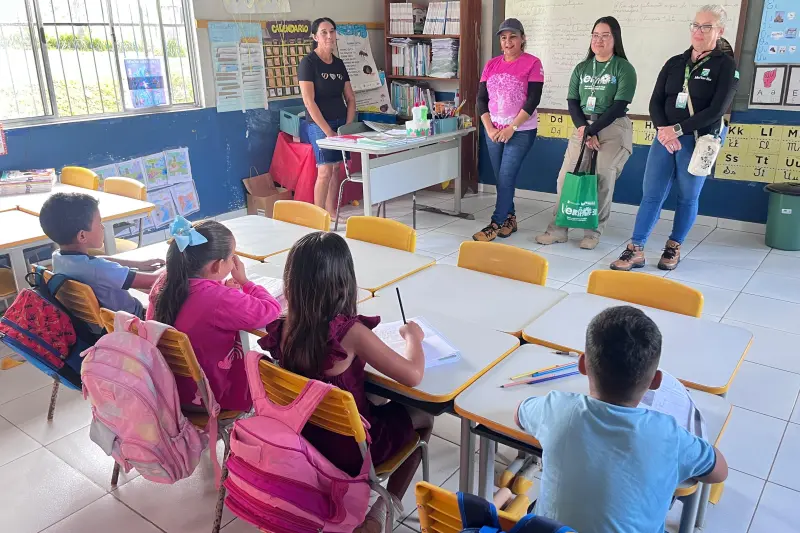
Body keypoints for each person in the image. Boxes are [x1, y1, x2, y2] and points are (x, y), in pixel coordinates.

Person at [258, 232, 434, 531]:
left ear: (292, 280)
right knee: (425, 415)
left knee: (371, 397)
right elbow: (413, 375)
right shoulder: (350, 333)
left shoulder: (284, 325)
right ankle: (382, 511)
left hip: (305, 436)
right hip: (353, 450)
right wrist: (413, 338)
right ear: (344, 282)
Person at [515, 306, 728, 532]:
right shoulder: (670, 436)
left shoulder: (556, 407)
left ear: (582, 365)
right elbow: (720, 472)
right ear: (656, 381)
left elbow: (520, 414)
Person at [611, 5, 738, 271]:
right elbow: (656, 101)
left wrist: (677, 130)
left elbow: (717, 110)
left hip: (699, 140)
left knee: (688, 196)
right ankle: (636, 249)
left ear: (719, 31)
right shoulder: (675, 63)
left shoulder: (725, 66)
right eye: (695, 25)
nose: (698, 31)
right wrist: (663, 130)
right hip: (665, 139)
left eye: (706, 27)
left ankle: (674, 246)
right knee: (651, 194)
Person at [147, 216, 282, 411]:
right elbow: (271, 310)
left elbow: (200, 299)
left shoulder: (164, 280)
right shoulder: (220, 300)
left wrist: (221, 287)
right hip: (210, 395)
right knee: (272, 368)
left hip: (167, 387)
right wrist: (245, 282)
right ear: (217, 265)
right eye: (232, 256)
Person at [536, 16, 637, 250]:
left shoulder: (624, 68)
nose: (598, 40)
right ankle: (558, 230)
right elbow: (572, 101)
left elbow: (619, 105)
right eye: (595, 35)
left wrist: (593, 130)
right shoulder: (582, 68)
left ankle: (593, 233)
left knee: (602, 179)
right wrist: (585, 130)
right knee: (566, 177)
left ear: (615, 38)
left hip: (613, 127)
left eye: (605, 35)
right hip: (583, 127)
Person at [472, 18, 544, 242]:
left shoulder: (532, 63)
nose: (508, 41)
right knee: (501, 178)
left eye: (513, 37)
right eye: (503, 38)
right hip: (493, 131)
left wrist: (512, 127)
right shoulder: (491, 65)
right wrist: (489, 127)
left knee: (506, 176)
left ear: (523, 39)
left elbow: (533, 100)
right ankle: (510, 219)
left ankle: (495, 224)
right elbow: (481, 100)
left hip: (520, 131)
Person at [39, 192, 162, 319]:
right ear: (82, 236)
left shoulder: (58, 257)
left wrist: (138, 264)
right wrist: (173, 261)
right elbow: (153, 281)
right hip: (133, 321)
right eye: (99, 223)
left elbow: (97, 260)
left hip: (99, 324)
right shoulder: (99, 270)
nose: (103, 227)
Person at [299, 17, 357, 217]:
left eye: (332, 31)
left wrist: (347, 127)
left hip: (340, 121)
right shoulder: (308, 63)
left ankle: (331, 212)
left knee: (336, 169)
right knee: (324, 170)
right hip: (319, 124)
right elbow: (309, 102)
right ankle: (318, 217)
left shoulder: (339, 64)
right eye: (323, 32)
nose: (329, 36)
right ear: (315, 37)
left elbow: (350, 98)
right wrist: (328, 131)